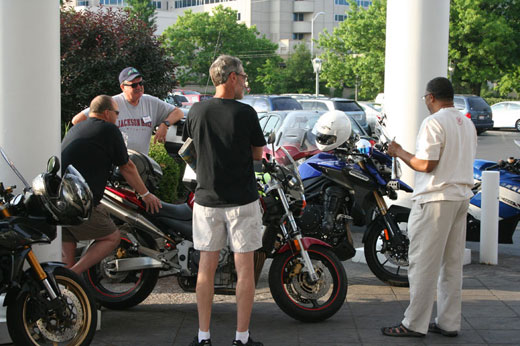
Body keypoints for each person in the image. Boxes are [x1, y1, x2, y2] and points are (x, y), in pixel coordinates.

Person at [381, 77, 477, 337]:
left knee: (423, 264)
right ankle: (448, 322)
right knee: (452, 264)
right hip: (460, 197)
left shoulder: (433, 122)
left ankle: (413, 323)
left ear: (431, 97)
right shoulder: (467, 123)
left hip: (435, 199)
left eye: (425, 97)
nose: (425, 101)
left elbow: (426, 164)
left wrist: (399, 151)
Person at [182, 55, 266, 346]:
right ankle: (241, 338)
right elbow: (258, 154)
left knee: (206, 269)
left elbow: (188, 149)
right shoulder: (246, 113)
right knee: (245, 270)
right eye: (243, 77)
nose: (244, 82)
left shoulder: (196, 111)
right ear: (232, 78)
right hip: (242, 200)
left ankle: (204, 336)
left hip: (206, 201)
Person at [61, 95, 162, 275]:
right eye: (116, 113)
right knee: (112, 237)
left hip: (61, 198)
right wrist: (146, 194)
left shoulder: (78, 127)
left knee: (68, 238)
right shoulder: (108, 129)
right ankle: (74, 274)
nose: (117, 117)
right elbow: (127, 166)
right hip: (81, 201)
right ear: (107, 113)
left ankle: (66, 283)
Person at [71, 67, 184, 155]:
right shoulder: (112, 103)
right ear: (122, 87)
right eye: (134, 85)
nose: (139, 87)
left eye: (140, 83)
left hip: (141, 164)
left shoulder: (151, 102)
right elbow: (77, 120)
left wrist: (165, 124)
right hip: (116, 164)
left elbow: (178, 112)